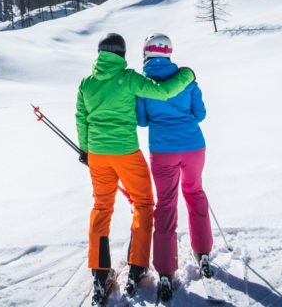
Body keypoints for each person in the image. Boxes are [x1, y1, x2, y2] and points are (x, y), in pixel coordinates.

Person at [75, 33, 196, 305]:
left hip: (97, 155)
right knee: (143, 203)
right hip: (126, 153)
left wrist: (85, 150)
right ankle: (138, 264)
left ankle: (99, 272)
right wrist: (188, 74)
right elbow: (164, 91)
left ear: (100, 53)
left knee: (101, 207)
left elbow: (81, 119)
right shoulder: (129, 78)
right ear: (122, 54)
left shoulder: (86, 83)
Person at [135, 33, 213, 302]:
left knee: (166, 204)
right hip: (193, 146)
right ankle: (203, 252)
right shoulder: (187, 79)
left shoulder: (144, 84)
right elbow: (201, 114)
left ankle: (166, 270)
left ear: (146, 54)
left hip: (163, 150)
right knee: (195, 193)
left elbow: (142, 121)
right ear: (169, 53)